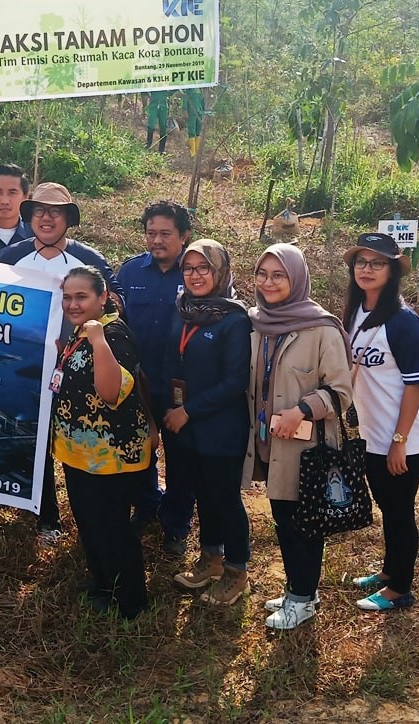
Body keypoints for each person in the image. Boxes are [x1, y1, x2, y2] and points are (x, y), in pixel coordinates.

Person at [0, 183, 117, 542]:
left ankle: (91, 521)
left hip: (77, 368)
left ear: (68, 218)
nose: (46, 219)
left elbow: (112, 306)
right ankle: (44, 515)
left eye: (55, 212)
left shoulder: (89, 259)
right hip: (25, 365)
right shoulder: (10, 256)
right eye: (38, 211)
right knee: (32, 440)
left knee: (77, 439)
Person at [248, 243, 353, 630]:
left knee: (304, 523)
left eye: (279, 275)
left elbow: (341, 391)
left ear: (296, 279)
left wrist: (303, 409)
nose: (269, 282)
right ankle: (299, 589)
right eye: (262, 274)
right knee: (282, 518)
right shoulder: (258, 323)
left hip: (305, 445)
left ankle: (303, 598)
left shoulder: (320, 328)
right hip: (267, 441)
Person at [53, 265, 153, 620]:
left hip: (111, 454)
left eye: (82, 297)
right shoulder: (80, 332)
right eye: (67, 297)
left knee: (112, 525)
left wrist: (97, 341)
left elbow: (111, 392)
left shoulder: (112, 335)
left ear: (103, 298)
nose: (73, 304)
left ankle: (131, 602)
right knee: (88, 520)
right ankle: (103, 583)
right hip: (80, 451)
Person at [341, 232, 419, 612]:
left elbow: (415, 387)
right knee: (387, 504)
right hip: (371, 432)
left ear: (393, 270)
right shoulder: (355, 311)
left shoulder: (404, 323)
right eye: (361, 262)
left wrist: (400, 441)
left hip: (404, 437)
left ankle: (400, 589)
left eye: (377, 263)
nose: (367, 269)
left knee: (399, 510)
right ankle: (388, 571)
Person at [164, 239, 252, 605]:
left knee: (225, 499)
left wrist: (189, 410)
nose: (196, 275)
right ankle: (211, 560)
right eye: (189, 268)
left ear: (221, 271)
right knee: (203, 494)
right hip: (191, 427)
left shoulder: (234, 319)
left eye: (204, 268)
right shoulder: (183, 309)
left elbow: (234, 382)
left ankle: (237, 572)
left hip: (221, 427)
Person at [119, 200, 193, 554]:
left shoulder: (197, 273)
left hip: (181, 388)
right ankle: (146, 506)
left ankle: (177, 524)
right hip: (138, 384)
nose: (157, 240)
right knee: (139, 451)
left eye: (166, 233)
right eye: (151, 233)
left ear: (185, 236)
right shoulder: (130, 273)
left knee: (181, 459)